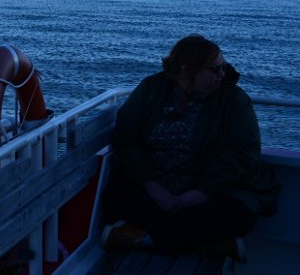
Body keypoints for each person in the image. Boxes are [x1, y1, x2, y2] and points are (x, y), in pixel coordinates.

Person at [101, 34, 280, 254]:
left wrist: (202, 193)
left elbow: (242, 153)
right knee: (116, 195)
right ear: (186, 70)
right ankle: (210, 243)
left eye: (223, 66)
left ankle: (146, 238)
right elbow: (125, 137)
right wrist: (152, 185)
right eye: (215, 69)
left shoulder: (233, 100)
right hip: (158, 189)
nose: (222, 74)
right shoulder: (151, 89)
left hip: (211, 192)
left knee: (238, 214)